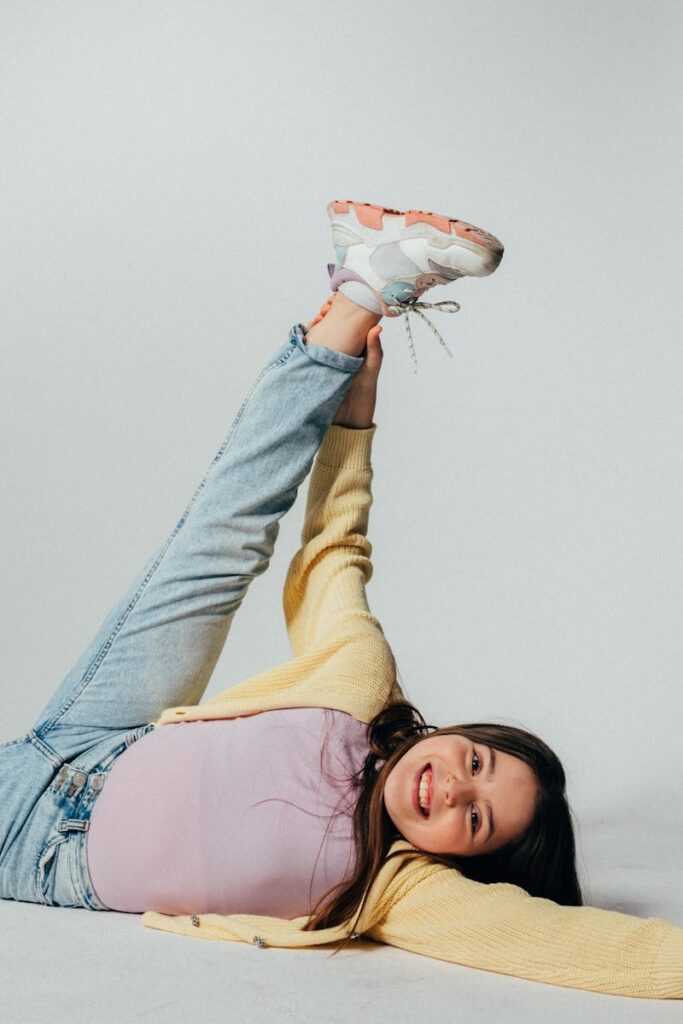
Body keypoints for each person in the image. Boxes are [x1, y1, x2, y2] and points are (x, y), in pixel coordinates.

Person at [1, 200, 681, 999]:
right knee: (220, 543)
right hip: (96, 741)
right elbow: (334, 553)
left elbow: (579, 944)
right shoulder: (360, 688)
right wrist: (354, 422)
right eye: (474, 761)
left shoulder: (398, 890)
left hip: (34, 846)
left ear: (468, 859)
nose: (451, 787)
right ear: (459, 735)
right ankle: (363, 286)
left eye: (473, 818)